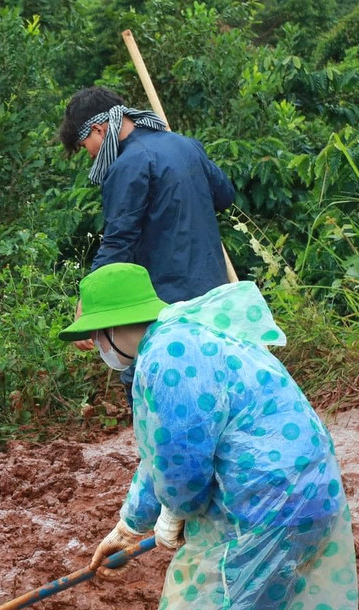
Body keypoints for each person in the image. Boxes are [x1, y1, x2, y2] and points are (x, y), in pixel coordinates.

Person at [67, 262, 359, 610]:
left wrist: (175, 510)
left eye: (92, 339)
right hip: (301, 494)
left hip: (266, 507)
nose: (96, 351)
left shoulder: (166, 358)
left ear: (106, 331)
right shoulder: (182, 334)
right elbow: (162, 449)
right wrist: (129, 526)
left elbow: (181, 468)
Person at [58, 86, 236, 389]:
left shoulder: (127, 166)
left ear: (99, 130)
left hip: (162, 299)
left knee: (145, 380)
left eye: (84, 143)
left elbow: (118, 241)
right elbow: (225, 196)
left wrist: (87, 301)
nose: (88, 154)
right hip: (212, 290)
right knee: (214, 373)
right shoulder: (185, 146)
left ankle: (165, 437)